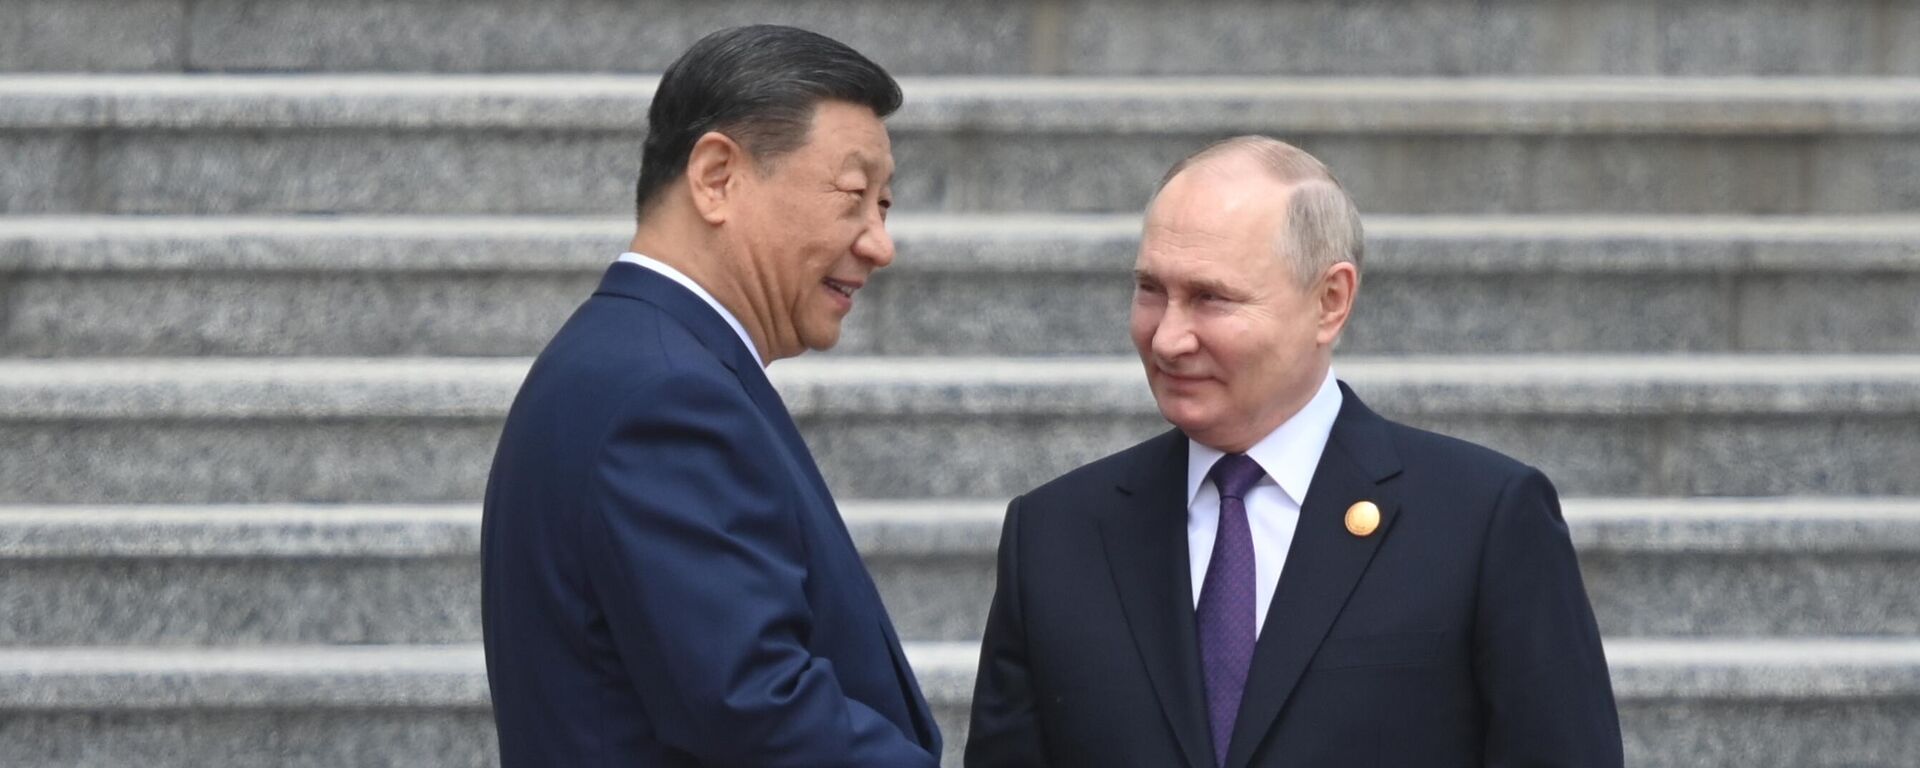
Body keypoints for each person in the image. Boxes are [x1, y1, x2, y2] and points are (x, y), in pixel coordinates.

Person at [965, 136, 1621, 767]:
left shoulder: (1481, 522)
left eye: (1210, 298)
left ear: (1329, 301)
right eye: (1151, 290)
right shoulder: (1055, 533)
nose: (1167, 337)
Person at [481, 25, 939, 767]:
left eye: (883, 206)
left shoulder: (634, 357)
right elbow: (757, 715)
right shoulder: (664, 396)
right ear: (717, 177)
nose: (879, 243)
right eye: (855, 197)